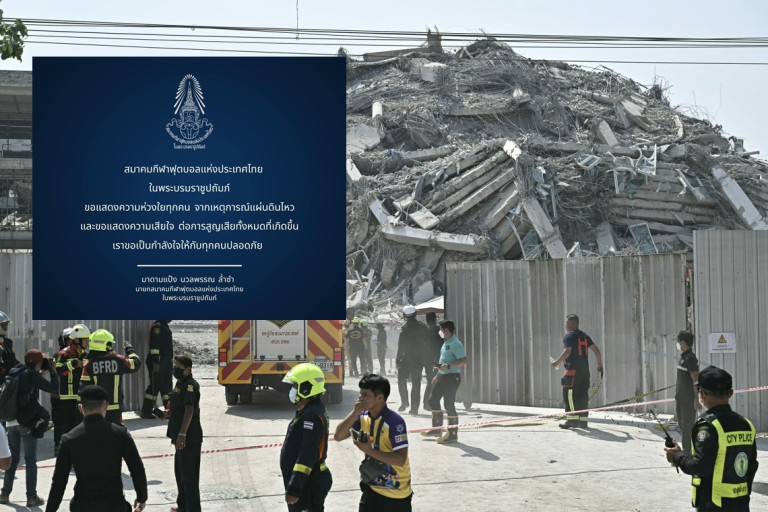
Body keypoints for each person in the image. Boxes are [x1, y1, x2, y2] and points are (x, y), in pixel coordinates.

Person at [665, 366, 759, 511]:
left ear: (702, 394)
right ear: (731, 393)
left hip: (714, 505)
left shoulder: (708, 426)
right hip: (741, 504)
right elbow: (751, 466)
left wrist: (677, 456)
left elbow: (700, 467)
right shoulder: (747, 425)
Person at [334, 374, 413, 511]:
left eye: (365, 395)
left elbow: (400, 459)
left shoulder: (395, 421)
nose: (360, 398)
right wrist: (355, 411)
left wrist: (369, 450)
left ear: (380, 397)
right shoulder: (363, 416)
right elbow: (338, 436)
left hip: (396, 496)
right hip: (371, 491)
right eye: (360, 394)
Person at [0, 349, 58, 507]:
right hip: (26, 422)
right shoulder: (32, 375)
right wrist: (53, 371)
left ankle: (5, 494)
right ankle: (31, 497)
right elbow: (53, 388)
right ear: (38, 362)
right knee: (30, 459)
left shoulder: (16, 371)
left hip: (11, 421)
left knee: (13, 458)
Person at [280, 363, 333, 511]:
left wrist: (295, 489)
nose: (292, 390)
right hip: (307, 481)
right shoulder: (309, 409)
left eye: (295, 386)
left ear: (306, 388)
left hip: (308, 484)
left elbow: (307, 454)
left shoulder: (311, 416)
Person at [551, 314, 603, 429]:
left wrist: (556, 362)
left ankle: (572, 421)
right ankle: (583, 422)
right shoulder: (585, 336)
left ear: (572, 324)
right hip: (585, 373)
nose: (566, 325)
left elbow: (567, 351)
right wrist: (599, 366)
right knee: (583, 396)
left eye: (567, 323)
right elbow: (596, 350)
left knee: (569, 395)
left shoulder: (569, 336)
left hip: (573, 372)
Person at [80, 329, 141, 425]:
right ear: (107, 345)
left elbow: (83, 386)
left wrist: (81, 404)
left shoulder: (88, 364)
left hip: (96, 409)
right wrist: (130, 350)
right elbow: (136, 363)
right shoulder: (118, 360)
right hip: (115, 409)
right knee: (115, 432)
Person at [166, 354, 202, 512]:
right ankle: (183, 506)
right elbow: (178, 407)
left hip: (189, 438)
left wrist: (182, 435)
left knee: (189, 477)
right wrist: (166, 413)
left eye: (178, 368)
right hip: (180, 437)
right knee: (180, 475)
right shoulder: (180, 383)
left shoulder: (190, 386)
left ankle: (193, 509)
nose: (175, 370)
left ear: (188, 369)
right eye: (174, 367)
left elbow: (189, 410)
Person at [423, 320, 467, 443]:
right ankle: (437, 429)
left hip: (452, 377)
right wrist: (438, 375)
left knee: (449, 404)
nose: (440, 332)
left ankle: (452, 434)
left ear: (446, 330)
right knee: (433, 399)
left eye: (441, 330)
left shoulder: (455, 343)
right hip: (443, 376)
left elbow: (463, 360)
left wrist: (448, 367)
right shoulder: (446, 343)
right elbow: (443, 361)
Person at [52, 325, 88, 456]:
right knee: (68, 427)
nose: (87, 342)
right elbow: (59, 371)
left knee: (80, 426)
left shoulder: (85, 355)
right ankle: (66, 454)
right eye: (85, 339)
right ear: (77, 340)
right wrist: (73, 364)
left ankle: (77, 454)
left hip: (80, 397)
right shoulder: (64, 354)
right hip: (67, 397)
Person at [396, 305, 429, 415]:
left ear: (405, 315)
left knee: (401, 380)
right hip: (419, 360)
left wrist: (398, 360)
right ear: (415, 314)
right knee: (416, 383)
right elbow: (428, 344)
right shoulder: (423, 327)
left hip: (406, 359)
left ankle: (404, 402)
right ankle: (414, 409)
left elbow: (400, 346)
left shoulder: (404, 328)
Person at [139, 320, 174, 419]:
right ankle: (146, 411)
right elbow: (154, 345)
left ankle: (169, 411)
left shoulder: (164, 326)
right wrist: (156, 362)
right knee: (155, 385)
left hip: (166, 362)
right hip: (158, 362)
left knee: (167, 387)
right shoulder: (157, 326)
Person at [675, 330, 701, 455]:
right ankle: (688, 451)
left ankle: (688, 454)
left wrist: (696, 399)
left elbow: (695, 380)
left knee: (687, 427)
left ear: (684, 343)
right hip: (680, 398)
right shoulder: (684, 357)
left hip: (688, 401)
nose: (678, 344)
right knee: (682, 426)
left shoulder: (690, 358)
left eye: (680, 342)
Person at [422, 312, 442, 411]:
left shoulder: (424, 330)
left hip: (427, 359)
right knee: (435, 381)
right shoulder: (439, 330)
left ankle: (427, 403)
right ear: (435, 319)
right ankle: (429, 403)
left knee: (430, 381)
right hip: (437, 359)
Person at [0, 311, 20, 378]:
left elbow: (13, 360)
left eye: (6, 325)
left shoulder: (8, 343)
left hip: (8, 378)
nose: (6, 328)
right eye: (3, 325)